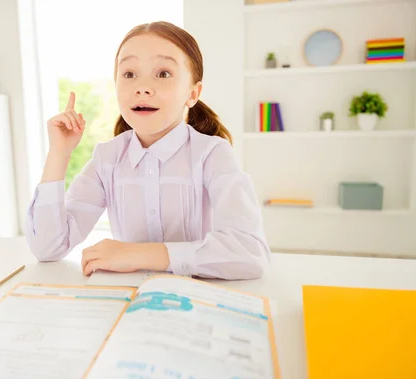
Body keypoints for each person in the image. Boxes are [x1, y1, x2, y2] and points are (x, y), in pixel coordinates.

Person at [24, 21, 270, 280]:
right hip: (130, 304)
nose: (142, 87)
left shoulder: (212, 154)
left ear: (193, 93)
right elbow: (48, 248)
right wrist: (59, 153)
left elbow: (250, 253)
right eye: (129, 74)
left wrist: (137, 254)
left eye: (163, 73)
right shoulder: (107, 159)